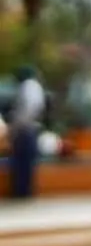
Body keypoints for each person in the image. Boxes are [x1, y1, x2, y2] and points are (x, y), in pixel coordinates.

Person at [8, 65, 46, 199]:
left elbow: (27, 108)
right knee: (25, 164)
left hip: (25, 129)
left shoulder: (29, 86)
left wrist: (16, 126)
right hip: (29, 129)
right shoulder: (34, 86)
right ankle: (23, 192)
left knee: (23, 164)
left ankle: (22, 193)